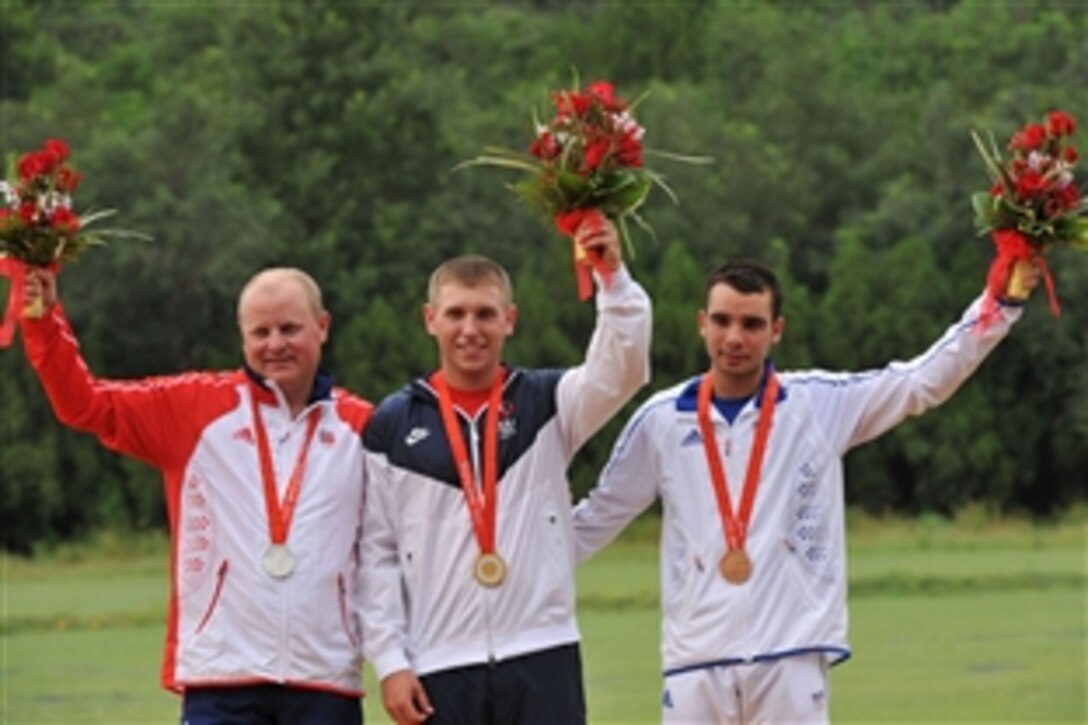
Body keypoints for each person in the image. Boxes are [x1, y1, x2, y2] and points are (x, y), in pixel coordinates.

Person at [571, 258, 1038, 724]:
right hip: (697, 661)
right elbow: (598, 516)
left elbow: (920, 382)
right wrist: (512, 563)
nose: (734, 337)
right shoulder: (661, 420)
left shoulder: (817, 403)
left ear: (777, 330)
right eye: (722, 321)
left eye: (752, 324)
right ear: (701, 323)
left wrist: (1001, 303)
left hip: (790, 657)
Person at [20, 266, 373, 725]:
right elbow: (84, 404)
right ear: (242, 336)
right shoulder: (192, 409)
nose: (275, 344)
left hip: (324, 680)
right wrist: (44, 319)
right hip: (220, 677)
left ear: (322, 326)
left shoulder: (362, 427)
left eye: (289, 328)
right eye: (260, 331)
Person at [360, 212, 652, 725]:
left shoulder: (546, 401)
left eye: (485, 314)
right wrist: (389, 663)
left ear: (509, 319)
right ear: (430, 319)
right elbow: (376, 553)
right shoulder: (391, 423)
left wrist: (611, 278)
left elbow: (622, 370)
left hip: (543, 652)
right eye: (455, 314)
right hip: (440, 663)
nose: (470, 329)